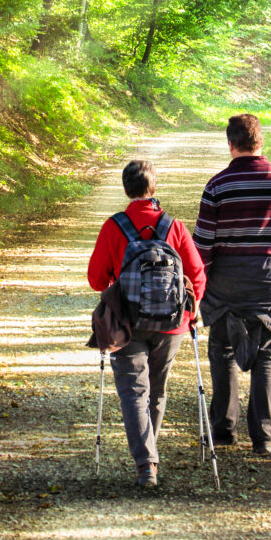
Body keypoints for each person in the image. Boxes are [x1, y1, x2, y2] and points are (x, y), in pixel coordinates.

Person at [87, 158, 207, 488]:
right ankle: (148, 454)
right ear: (153, 187)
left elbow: (96, 280)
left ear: (126, 189)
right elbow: (196, 273)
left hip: (126, 323)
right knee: (156, 389)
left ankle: (146, 465)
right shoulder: (175, 227)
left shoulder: (115, 226)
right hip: (172, 324)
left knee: (133, 392)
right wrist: (192, 311)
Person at [194, 113, 271, 455]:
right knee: (265, 355)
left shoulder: (217, 186)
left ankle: (224, 430)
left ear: (230, 145)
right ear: (261, 142)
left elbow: (203, 246)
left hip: (227, 281)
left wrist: (204, 285)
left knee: (223, 350)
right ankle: (263, 438)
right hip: (270, 281)